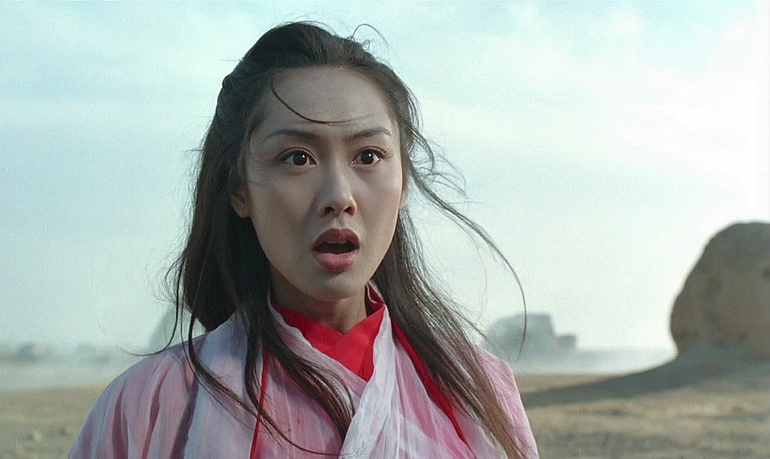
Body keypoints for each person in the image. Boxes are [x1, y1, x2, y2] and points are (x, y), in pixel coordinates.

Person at [70, 22, 538, 458]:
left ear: (403, 186)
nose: (339, 197)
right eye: (297, 158)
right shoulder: (149, 405)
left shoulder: (479, 391)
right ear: (239, 189)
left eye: (368, 156)